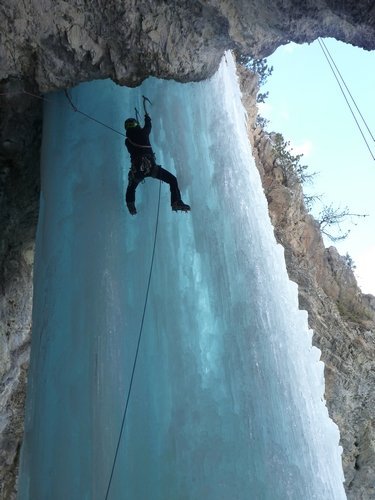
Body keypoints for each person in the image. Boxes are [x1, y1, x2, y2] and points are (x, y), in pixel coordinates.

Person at [124, 114, 190, 215]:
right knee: (172, 180)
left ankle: (131, 207)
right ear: (136, 124)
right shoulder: (143, 133)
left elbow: (140, 133)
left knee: (131, 187)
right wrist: (147, 118)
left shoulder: (127, 141)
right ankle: (176, 202)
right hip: (151, 167)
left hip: (137, 171)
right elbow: (148, 126)